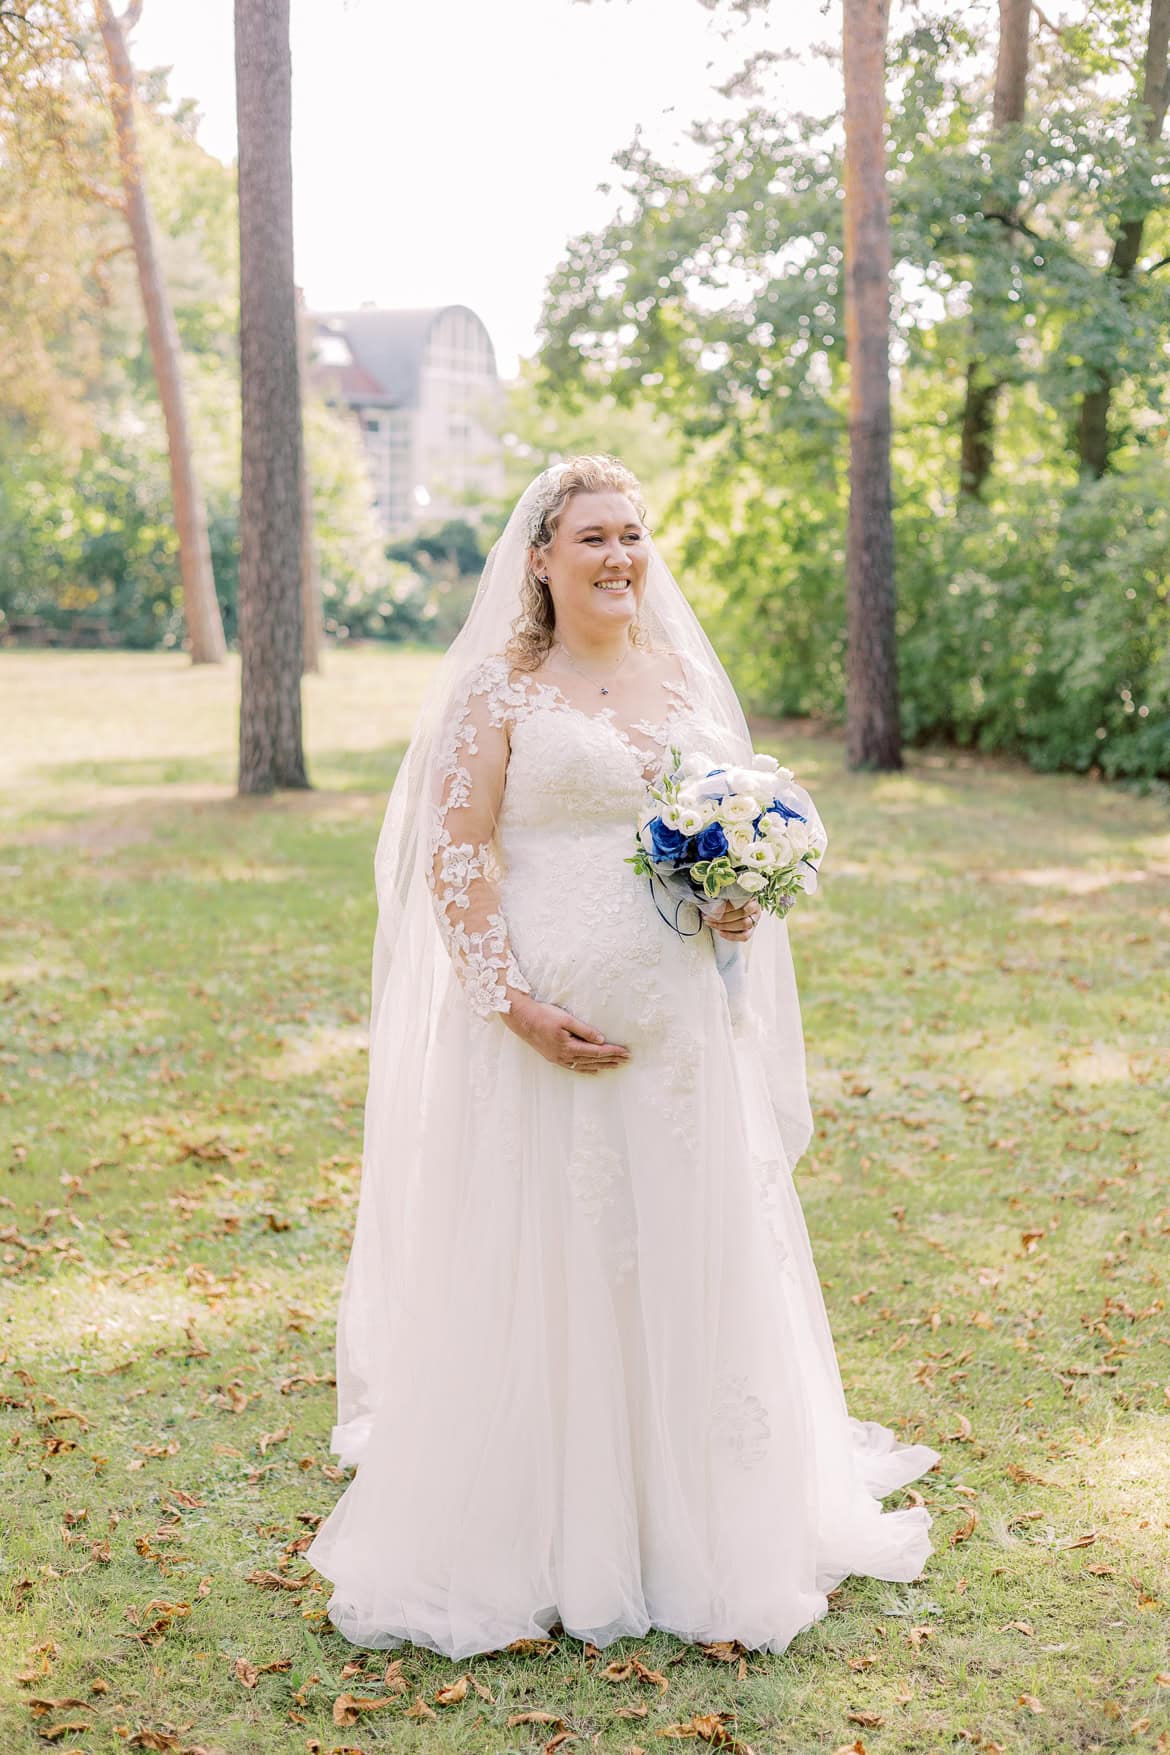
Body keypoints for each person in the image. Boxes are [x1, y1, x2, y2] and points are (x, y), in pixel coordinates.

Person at [305, 454, 940, 1660]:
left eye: (632, 536)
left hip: (681, 1034)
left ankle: (698, 1522)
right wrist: (516, 1006)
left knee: (685, 1248)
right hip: (540, 1038)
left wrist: (738, 902)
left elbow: (715, 838)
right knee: (552, 1258)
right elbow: (461, 861)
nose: (617, 558)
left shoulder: (683, 683)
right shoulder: (499, 692)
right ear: (539, 560)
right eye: (591, 537)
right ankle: (542, 1530)